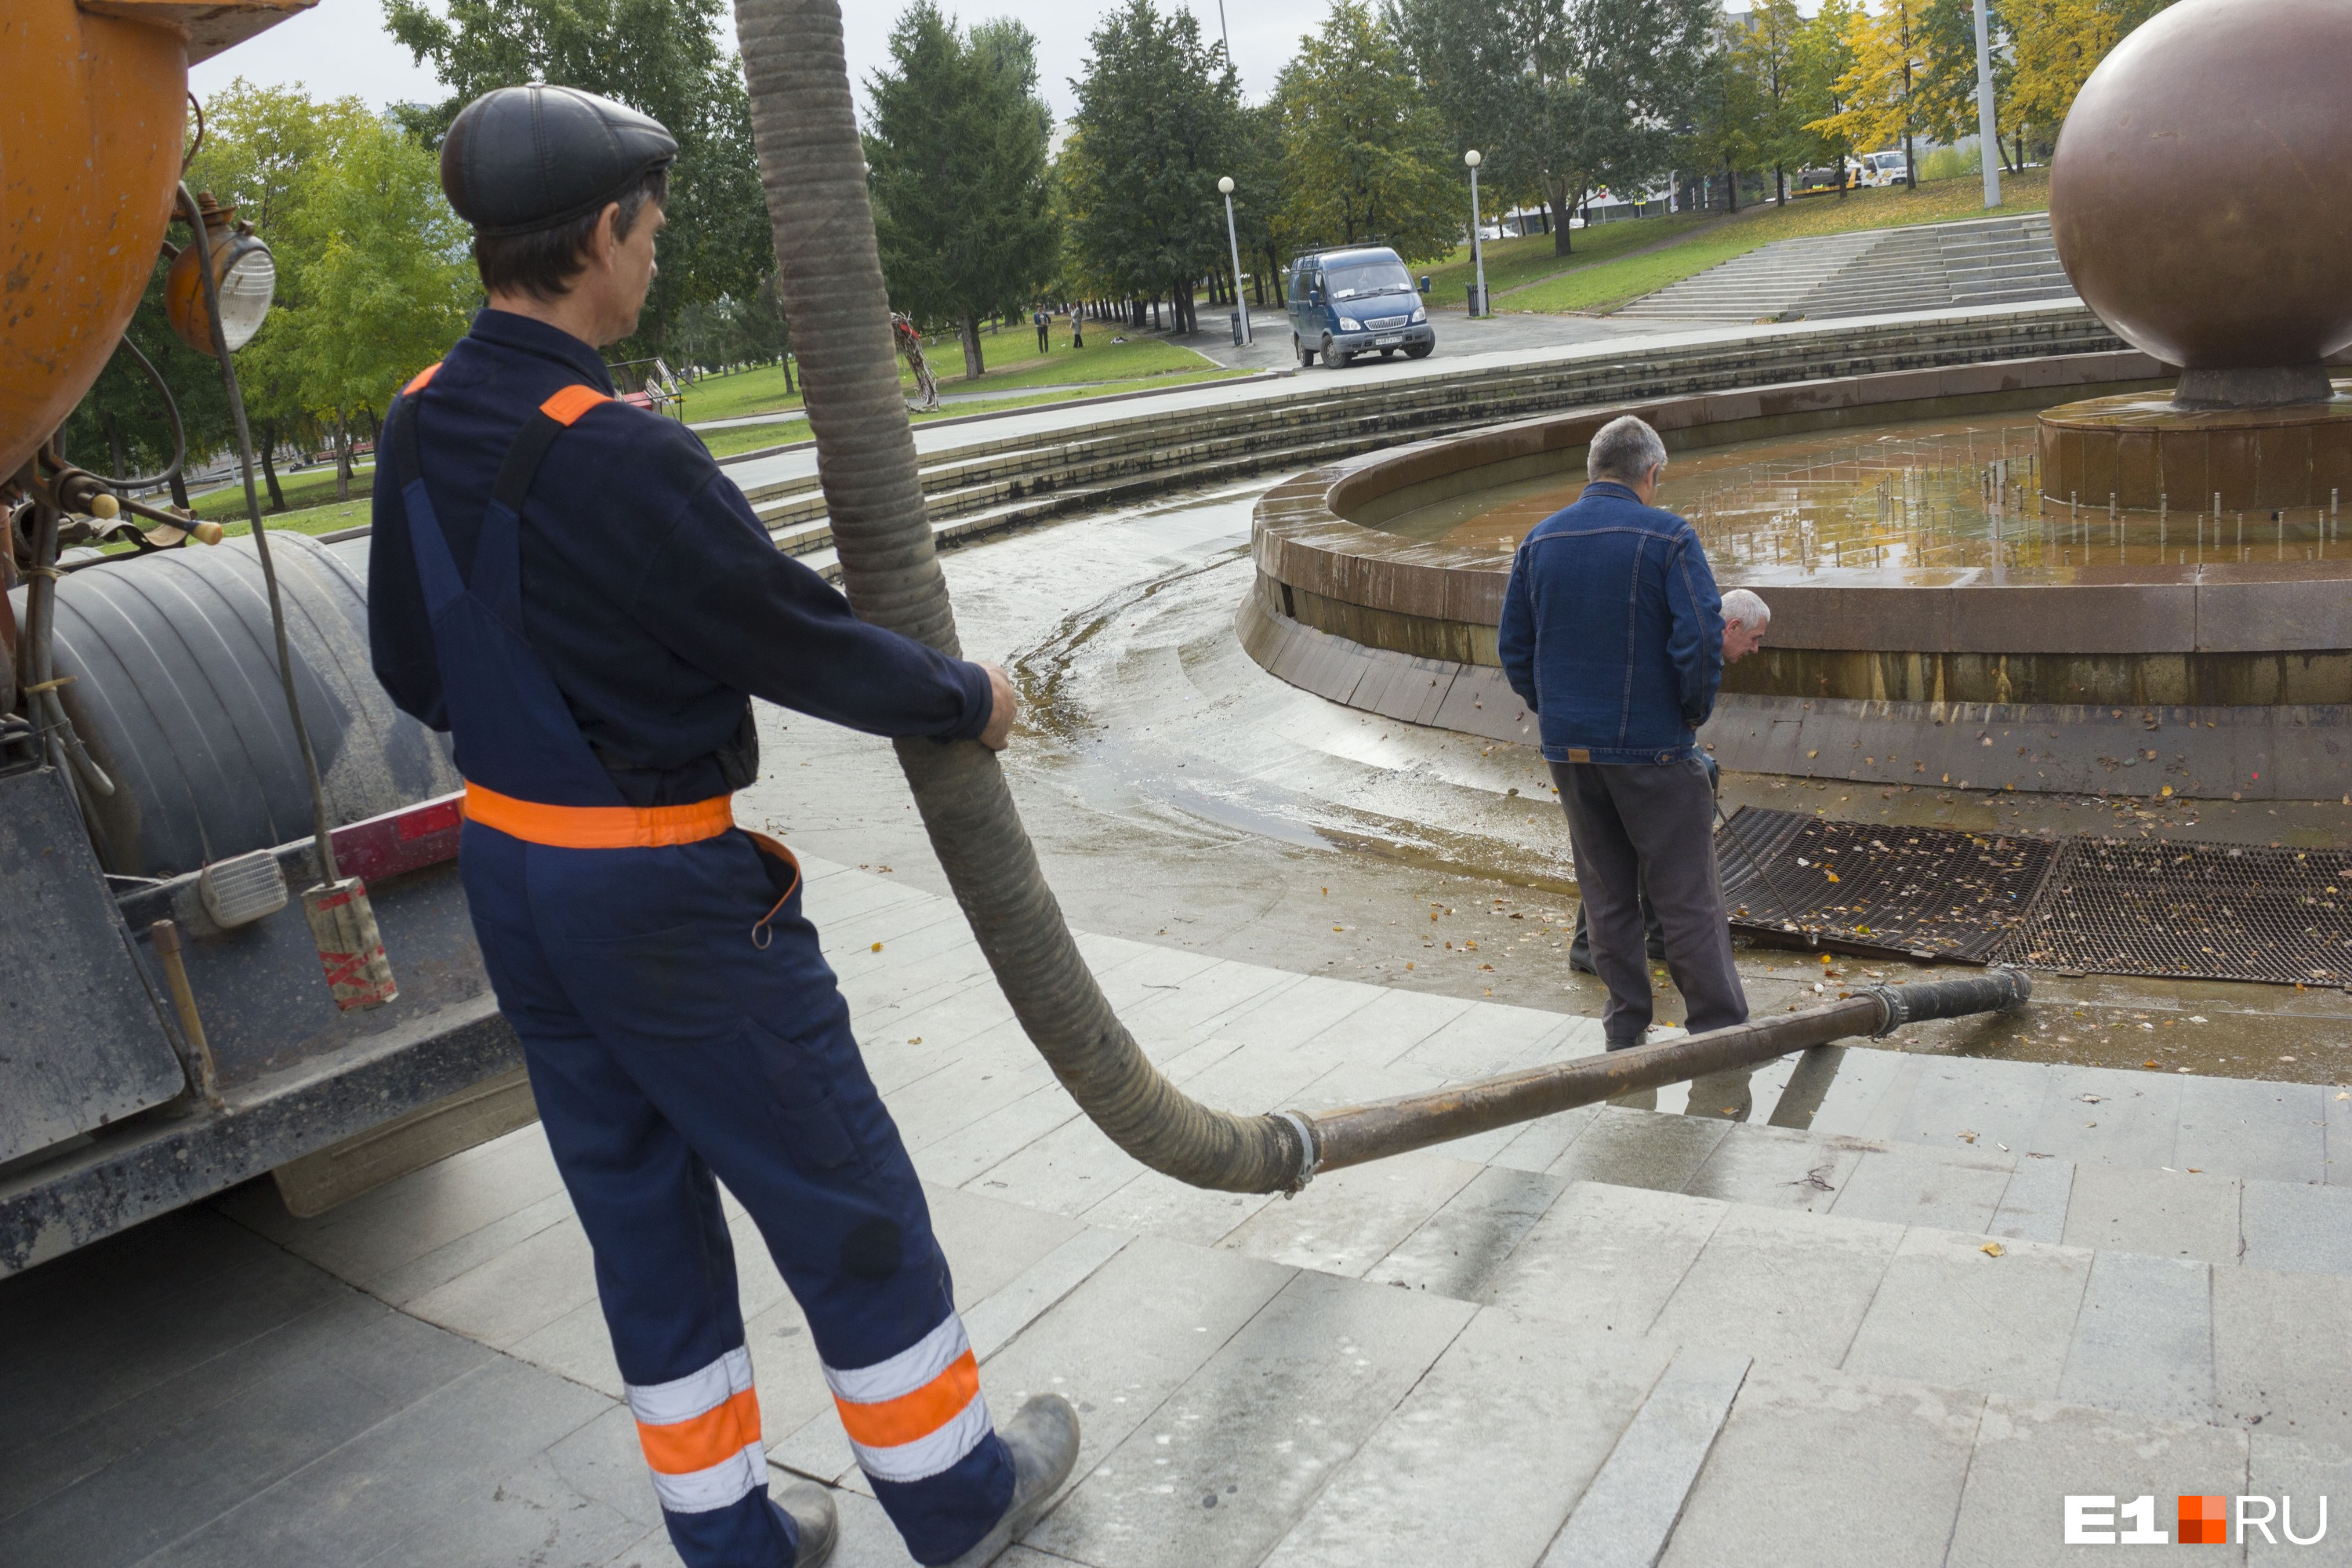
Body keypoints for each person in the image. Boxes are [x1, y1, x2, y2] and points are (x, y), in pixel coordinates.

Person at [369, 85, 1076, 1568]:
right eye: (655, 226)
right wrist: (967, 698)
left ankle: (731, 1536)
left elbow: (411, 667)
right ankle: (958, 1496)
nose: (659, 252)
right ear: (603, 235)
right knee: (839, 1184)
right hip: (657, 894)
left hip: (511, 872)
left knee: (637, 1211)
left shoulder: (419, 419)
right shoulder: (620, 451)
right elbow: (790, 634)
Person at [1499, 415, 1748, 1050]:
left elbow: (1515, 650)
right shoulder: (1668, 537)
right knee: (1686, 895)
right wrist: (1688, 715)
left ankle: (1625, 1031)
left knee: (1607, 894)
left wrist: (1559, 712)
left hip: (1571, 748)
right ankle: (1718, 1031)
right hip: (1653, 746)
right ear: (1651, 473)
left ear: (1593, 470)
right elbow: (1699, 635)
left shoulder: (1538, 541)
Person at [1566, 586, 1770, 975]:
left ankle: (1655, 937)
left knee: (1651, 831)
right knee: (1623, 841)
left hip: (1632, 739)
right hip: (1623, 745)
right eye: (1755, 639)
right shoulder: (1697, 644)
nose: (1756, 649)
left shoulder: (1698, 636)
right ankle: (1590, 946)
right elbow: (1688, 708)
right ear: (1733, 626)